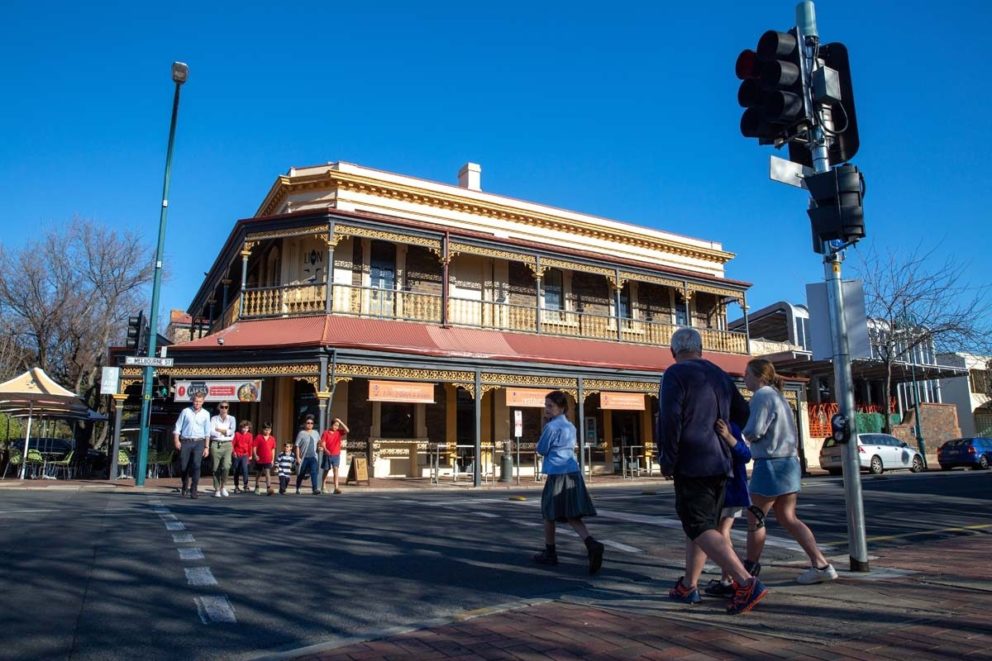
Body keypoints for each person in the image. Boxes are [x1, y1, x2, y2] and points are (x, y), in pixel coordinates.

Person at [657, 326, 767, 615]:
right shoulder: (718, 373)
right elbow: (743, 414)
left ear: (673, 351)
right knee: (701, 524)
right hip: (721, 461)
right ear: (701, 349)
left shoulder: (675, 374)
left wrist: (668, 460)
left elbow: (669, 420)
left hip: (693, 461)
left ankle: (745, 581)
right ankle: (689, 585)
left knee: (698, 524)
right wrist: (721, 431)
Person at [741, 358, 837, 585]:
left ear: (759, 376)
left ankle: (747, 572)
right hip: (789, 462)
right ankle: (820, 563)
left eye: (747, 373)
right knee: (788, 517)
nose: (744, 377)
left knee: (755, 517)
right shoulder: (778, 396)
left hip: (770, 463)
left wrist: (738, 436)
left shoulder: (762, 396)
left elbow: (755, 430)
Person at [532, 391, 605, 575]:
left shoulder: (551, 427)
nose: (546, 409)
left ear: (561, 407)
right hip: (572, 470)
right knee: (571, 513)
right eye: (546, 405)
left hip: (557, 472)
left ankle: (550, 551)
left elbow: (541, 449)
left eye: (550, 406)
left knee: (549, 512)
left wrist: (544, 428)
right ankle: (591, 543)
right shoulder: (570, 426)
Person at [702, 420, 757, 598]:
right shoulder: (717, 422)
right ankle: (728, 578)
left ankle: (732, 579)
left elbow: (745, 454)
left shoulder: (729, 425)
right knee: (721, 531)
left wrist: (727, 436)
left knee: (721, 531)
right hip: (722, 488)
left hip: (730, 488)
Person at [172, 392, 211, 499]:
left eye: (199, 401)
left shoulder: (206, 414)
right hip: (186, 441)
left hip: (199, 441)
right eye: (195, 401)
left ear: (203, 402)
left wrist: (207, 447)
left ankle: (194, 489)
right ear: (192, 401)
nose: (197, 403)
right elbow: (177, 427)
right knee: (184, 466)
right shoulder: (185, 411)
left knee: (196, 465)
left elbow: (207, 432)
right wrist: (177, 441)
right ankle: (185, 484)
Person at [209, 401, 236, 497]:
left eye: (226, 407)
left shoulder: (232, 419)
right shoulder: (214, 418)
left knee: (227, 466)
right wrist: (224, 431)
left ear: (228, 408)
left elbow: (231, 431)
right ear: (218, 408)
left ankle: (223, 486)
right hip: (216, 443)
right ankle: (217, 489)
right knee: (215, 467)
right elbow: (211, 431)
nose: (224, 409)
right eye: (222, 407)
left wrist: (219, 430)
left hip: (227, 444)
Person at [319, 417, 350, 495]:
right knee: (326, 470)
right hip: (327, 454)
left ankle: (336, 488)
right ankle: (323, 486)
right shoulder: (326, 432)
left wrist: (340, 421)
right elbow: (323, 443)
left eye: (337, 426)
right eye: (335, 425)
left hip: (336, 455)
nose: (336, 427)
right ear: (331, 425)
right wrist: (326, 450)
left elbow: (347, 430)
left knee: (336, 470)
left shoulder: (338, 432)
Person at [294, 415, 321, 495]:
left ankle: (315, 489)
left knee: (314, 472)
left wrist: (320, 447)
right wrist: (298, 457)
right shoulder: (301, 433)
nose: (310, 424)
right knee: (301, 473)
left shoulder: (316, 433)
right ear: (305, 424)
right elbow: (297, 445)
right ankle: (298, 487)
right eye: (308, 423)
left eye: (311, 423)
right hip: (304, 457)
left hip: (313, 457)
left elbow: (319, 442)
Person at [253, 422, 276, 495]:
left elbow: (273, 449)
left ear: (271, 430)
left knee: (267, 473)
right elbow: (254, 447)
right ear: (263, 430)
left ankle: (268, 488)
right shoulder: (259, 437)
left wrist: (272, 459)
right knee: (258, 474)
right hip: (259, 459)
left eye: (268, 430)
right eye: (265, 430)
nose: (267, 431)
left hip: (268, 459)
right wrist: (255, 455)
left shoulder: (272, 438)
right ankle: (257, 487)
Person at [231, 420, 253, 494]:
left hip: (245, 455)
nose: (245, 430)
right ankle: (236, 486)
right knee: (236, 470)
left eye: (247, 428)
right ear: (241, 428)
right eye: (244, 428)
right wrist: (233, 452)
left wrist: (250, 455)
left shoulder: (250, 435)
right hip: (237, 454)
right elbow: (232, 444)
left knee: (245, 469)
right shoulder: (237, 434)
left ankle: (245, 485)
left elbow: (250, 446)